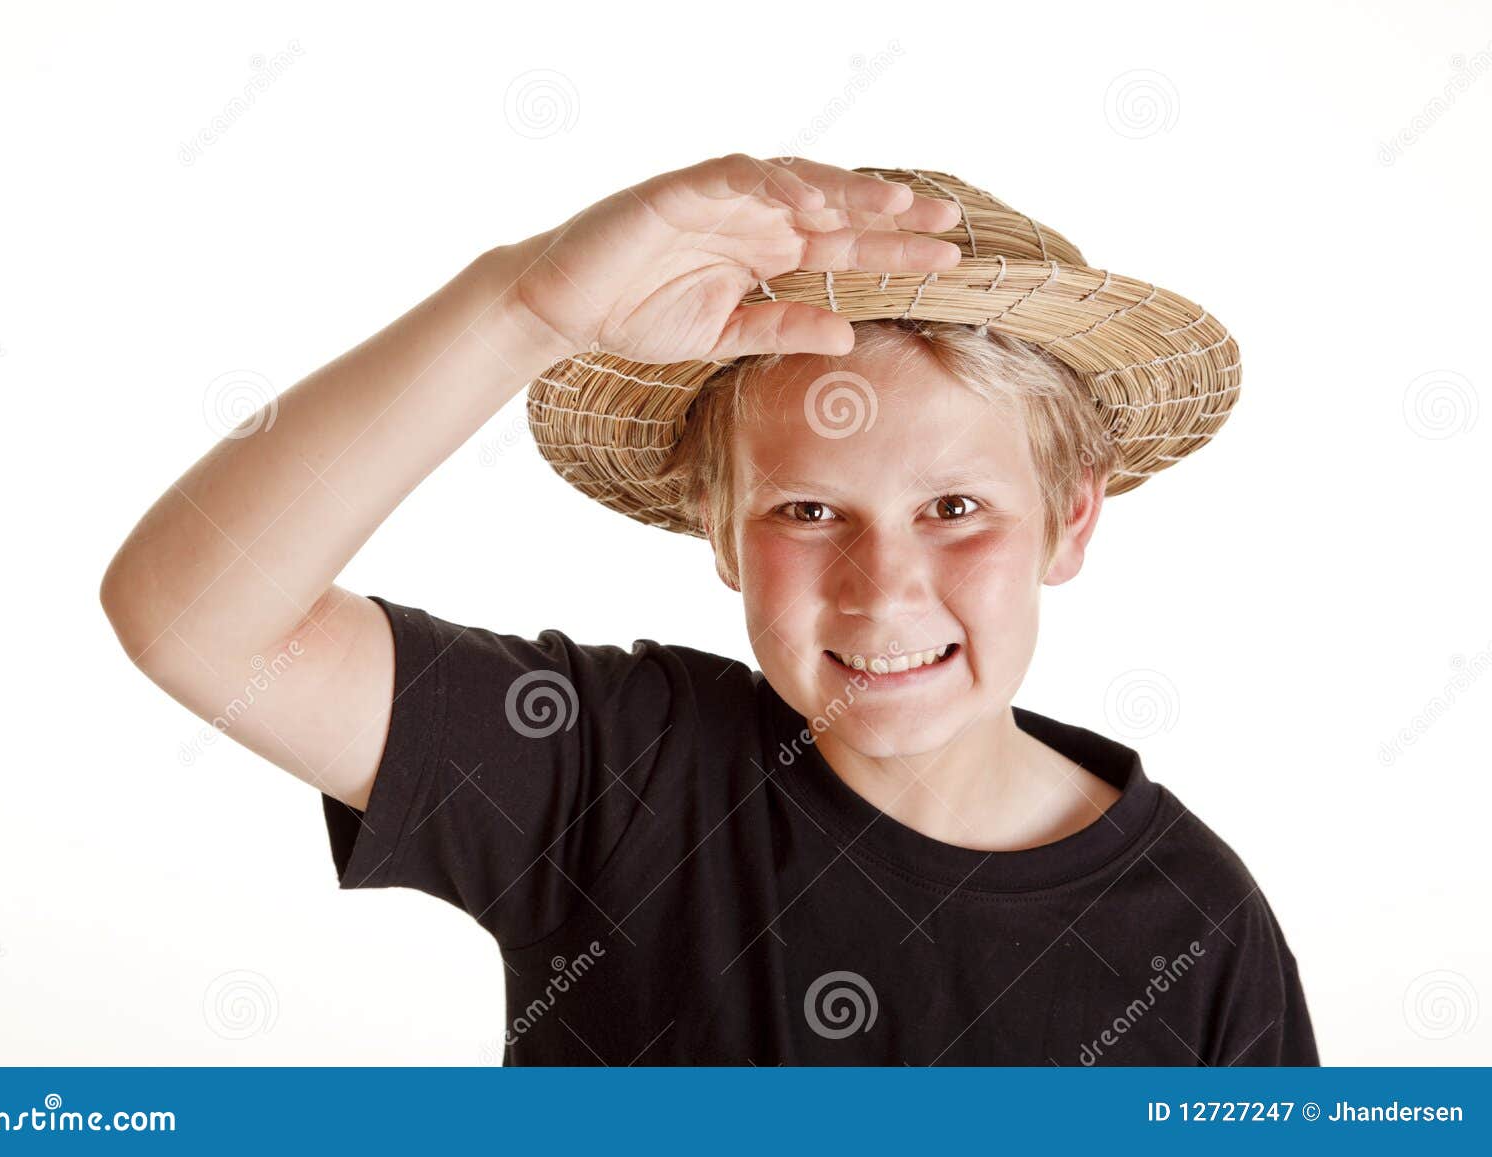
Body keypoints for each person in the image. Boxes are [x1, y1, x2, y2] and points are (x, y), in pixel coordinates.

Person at [101, 153, 1318, 1065]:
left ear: (1071, 520)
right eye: (805, 511)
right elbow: (196, 618)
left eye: (954, 504)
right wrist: (518, 308)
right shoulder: (618, 768)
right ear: (720, 532)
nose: (880, 585)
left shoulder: (1195, 930)